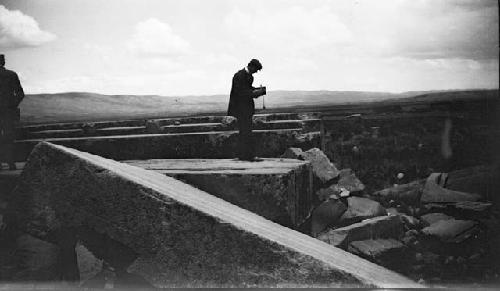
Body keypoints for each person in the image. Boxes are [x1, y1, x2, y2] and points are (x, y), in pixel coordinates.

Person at [227, 59, 266, 161]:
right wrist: (255, 93)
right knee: (245, 132)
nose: (256, 72)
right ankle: (246, 156)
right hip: (240, 109)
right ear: (251, 66)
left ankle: (246, 155)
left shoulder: (248, 76)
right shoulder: (239, 76)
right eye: (256, 69)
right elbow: (241, 92)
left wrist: (256, 90)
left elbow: (247, 89)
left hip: (246, 109)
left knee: (246, 131)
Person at [0, 54, 24, 170]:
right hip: (9, 111)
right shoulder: (11, 74)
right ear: (3, 62)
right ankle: (10, 162)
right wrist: (12, 105)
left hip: (7, 111)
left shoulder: (11, 74)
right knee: (9, 137)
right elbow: (20, 93)